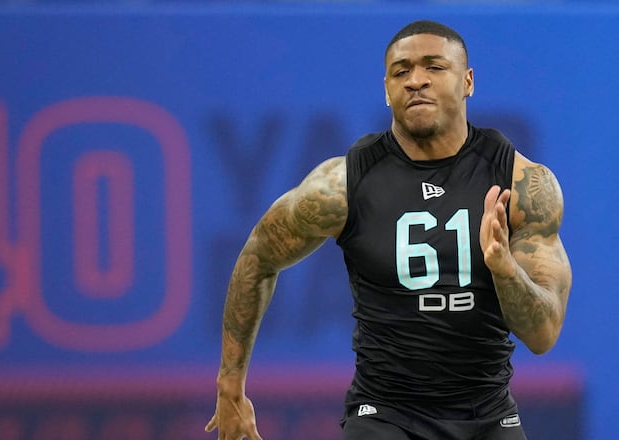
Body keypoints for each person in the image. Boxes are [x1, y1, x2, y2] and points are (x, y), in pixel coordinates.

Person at [204, 19, 572, 440]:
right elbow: (259, 256)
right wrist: (230, 385)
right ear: (386, 90)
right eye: (401, 71)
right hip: (385, 414)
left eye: (434, 67)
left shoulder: (522, 184)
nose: (416, 80)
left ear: (468, 81)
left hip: (486, 413)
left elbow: (544, 335)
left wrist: (505, 270)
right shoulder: (343, 185)